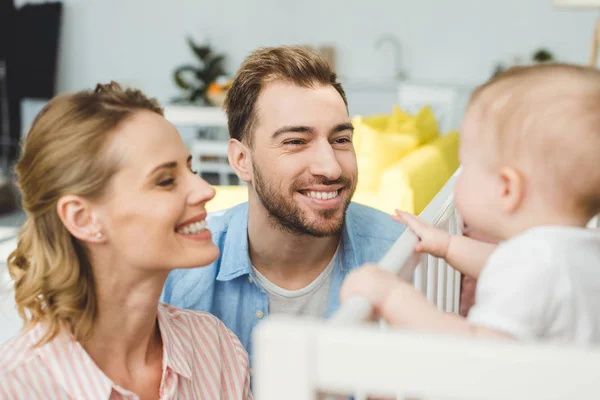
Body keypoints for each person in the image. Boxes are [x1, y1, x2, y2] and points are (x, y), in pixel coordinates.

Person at [0, 83, 252, 399]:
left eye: (192, 169)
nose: (205, 191)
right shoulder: (14, 387)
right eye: (166, 180)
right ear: (83, 218)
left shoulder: (215, 349)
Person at [161, 46, 405, 361]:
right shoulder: (178, 274)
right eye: (295, 142)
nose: (330, 168)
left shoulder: (402, 258)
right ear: (241, 160)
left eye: (340, 140)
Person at [341, 63, 600, 344]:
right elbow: (500, 262)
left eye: (464, 165)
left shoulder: (533, 264)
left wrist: (392, 297)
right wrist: (448, 245)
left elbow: (478, 352)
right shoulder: (577, 250)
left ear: (506, 188)